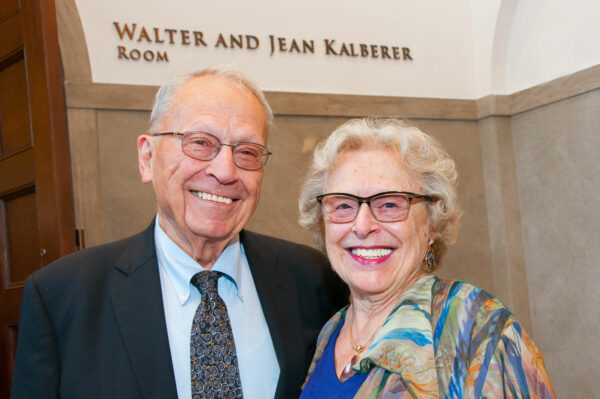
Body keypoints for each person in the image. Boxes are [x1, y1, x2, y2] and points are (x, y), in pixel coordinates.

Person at [10, 66, 346, 399]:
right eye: (199, 143)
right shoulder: (62, 296)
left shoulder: (314, 279)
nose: (225, 171)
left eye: (246, 152)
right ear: (147, 157)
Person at [298, 118, 555, 398]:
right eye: (343, 205)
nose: (362, 226)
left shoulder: (480, 332)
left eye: (389, 204)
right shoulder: (330, 332)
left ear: (432, 223)